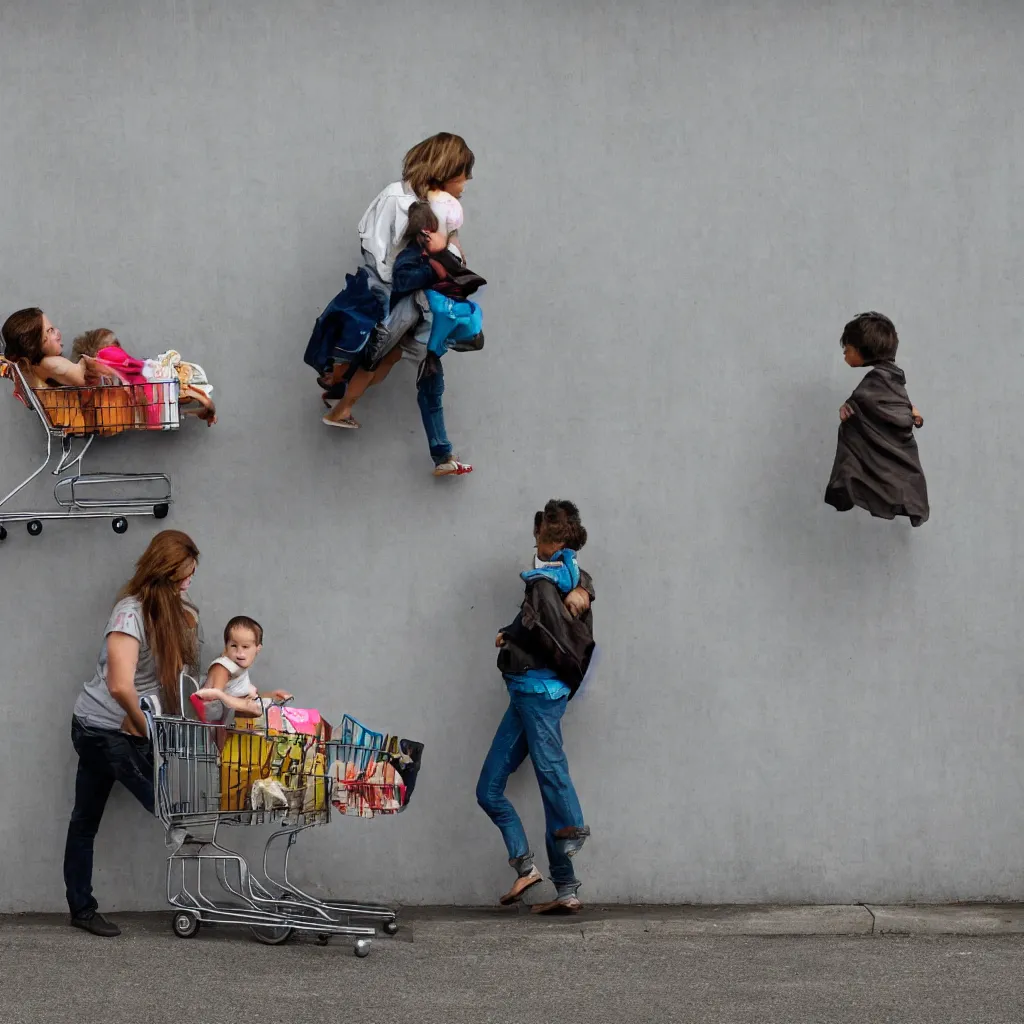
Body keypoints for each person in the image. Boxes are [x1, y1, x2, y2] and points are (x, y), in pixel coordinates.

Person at [64, 530, 202, 937]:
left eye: (191, 575)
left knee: (84, 820)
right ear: (163, 573)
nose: (189, 582)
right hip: (98, 727)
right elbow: (121, 686)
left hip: (131, 723)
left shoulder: (177, 612)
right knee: (153, 794)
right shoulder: (130, 613)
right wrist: (146, 729)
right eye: (183, 576)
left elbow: (174, 679)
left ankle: (80, 908)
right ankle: (175, 822)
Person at [477, 501, 596, 915]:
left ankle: (572, 830)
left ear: (560, 539)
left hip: (538, 691)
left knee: (549, 770)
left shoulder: (550, 581)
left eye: (552, 540)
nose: (545, 547)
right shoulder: (563, 575)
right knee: (489, 788)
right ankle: (539, 874)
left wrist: (510, 636)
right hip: (526, 693)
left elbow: (542, 626)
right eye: (545, 539)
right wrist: (509, 632)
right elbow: (556, 599)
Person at [318, 133, 477, 435]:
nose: (466, 183)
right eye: (462, 175)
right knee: (376, 357)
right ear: (445, 171)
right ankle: (341, 403)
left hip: (410, 297)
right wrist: (428, 269)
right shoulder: (399, 200)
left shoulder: (428, 202)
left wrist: (451, 246)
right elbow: (377, 250)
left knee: (388, 357)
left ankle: (339, 393)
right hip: (392, 295)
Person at [389, 202, 484, 475]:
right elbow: (402, 281)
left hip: (425, 340)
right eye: (431, 229)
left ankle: (443, 455)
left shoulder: (428, 254)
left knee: (431, 392)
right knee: (430, 392)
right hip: (416, 339)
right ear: (423, 231)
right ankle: (442, 455)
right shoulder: (412, 256)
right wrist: (433, 271)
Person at [824, 311, 929, 526]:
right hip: (898, 437)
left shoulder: (878, 378)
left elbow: (874, 402)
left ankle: (853, 483)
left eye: (848, 350)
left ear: (864, 350)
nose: (845, 355)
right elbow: (898, 402)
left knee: (851, 432)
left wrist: (851, 407)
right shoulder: (894, 376)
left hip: (890, 436)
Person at [72, 328, 217, 425]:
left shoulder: (113, 362)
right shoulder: (112, 368)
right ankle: (203, 404)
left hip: (155, 382)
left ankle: (202, 403)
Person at [191, 615, 291, 725]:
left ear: (257, 649)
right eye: (234, 646)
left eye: (245, 647)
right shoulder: (222, 667)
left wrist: (272, 696)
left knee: (260, 707)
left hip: (228, 725)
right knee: (254, 708)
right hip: (212, 724)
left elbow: (244, 696)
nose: (239, 653)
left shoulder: (239, 670)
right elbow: (214, 702)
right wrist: (246, 706)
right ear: (226, 647)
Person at [1, 307, 103, 387]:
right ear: (35, 346)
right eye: (50, 331)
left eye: (53, 328)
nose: (57, 333)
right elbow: (83, 379)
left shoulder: (25, 364)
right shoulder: (50, 364)